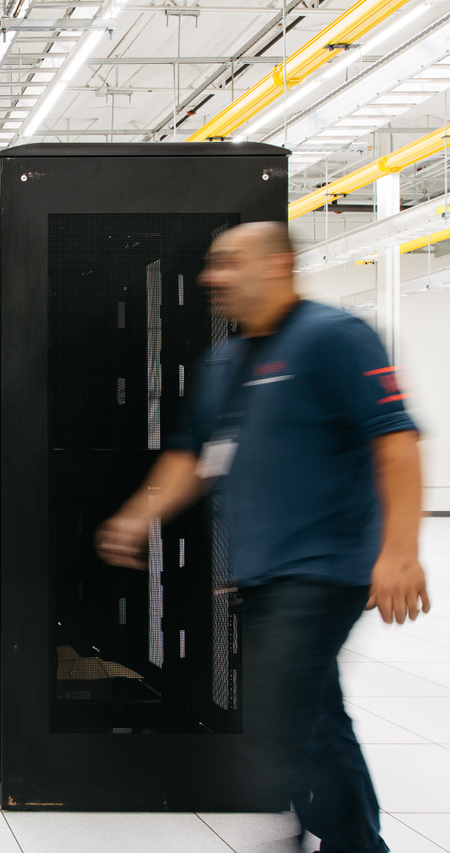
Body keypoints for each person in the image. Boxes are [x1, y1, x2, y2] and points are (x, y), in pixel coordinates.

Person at [96, 221, 431, 853]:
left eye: (227, 263)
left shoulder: (336, 338)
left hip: (325, 566)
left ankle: (336, 842)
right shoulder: (224, 362)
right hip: (261, 572)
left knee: (285, 710)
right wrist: (139, 515)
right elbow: (193, 456)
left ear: (277, 266)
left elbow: (394, 441)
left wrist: (400, 551)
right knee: (314, 715)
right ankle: (346, 839)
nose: (209, 277)